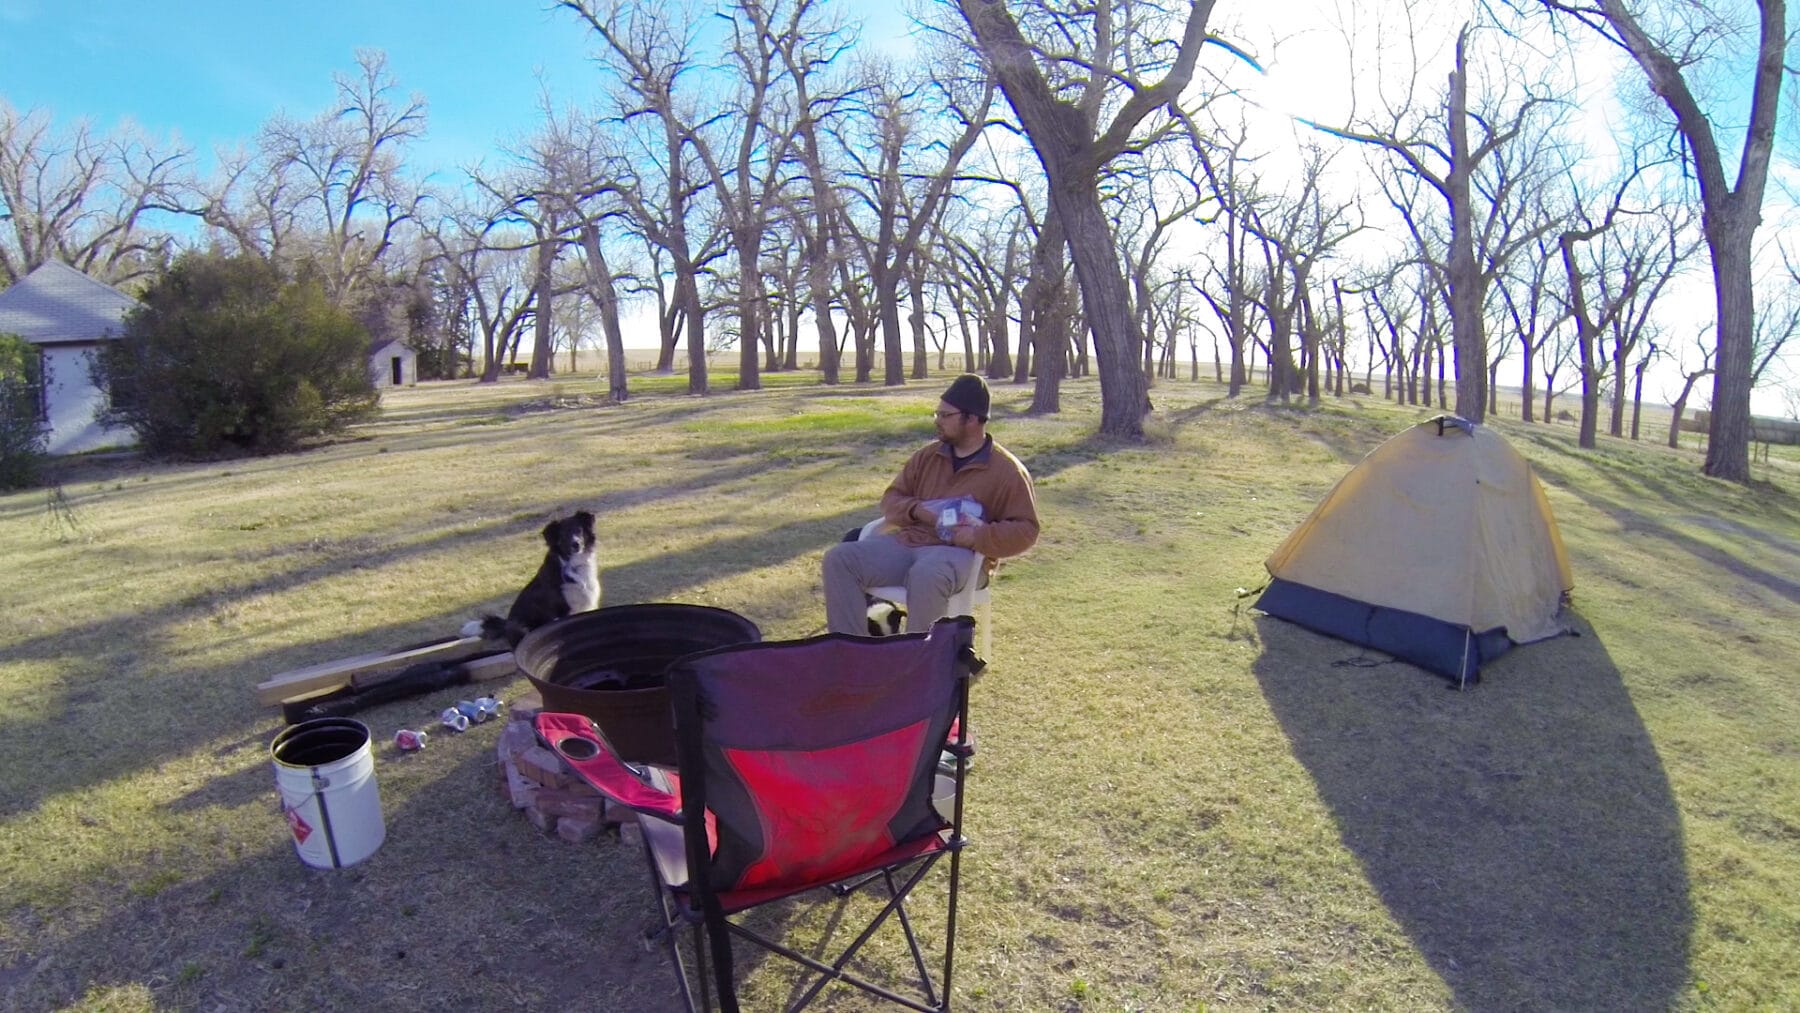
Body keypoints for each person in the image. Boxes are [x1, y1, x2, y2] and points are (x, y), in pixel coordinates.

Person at [823, 373, 1039, 635]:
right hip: (910, 542)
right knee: (840, 559)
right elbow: (891, 500)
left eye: (945, 415)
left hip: (965, 556)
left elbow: (1026, 530)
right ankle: (852, 656)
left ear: (971, 419)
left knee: (927, 575)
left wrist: (976, 536)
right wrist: (917, 510)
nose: (937, 421)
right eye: (936, 414)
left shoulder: (1006, 470)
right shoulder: (927, 457)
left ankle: (920, 664)